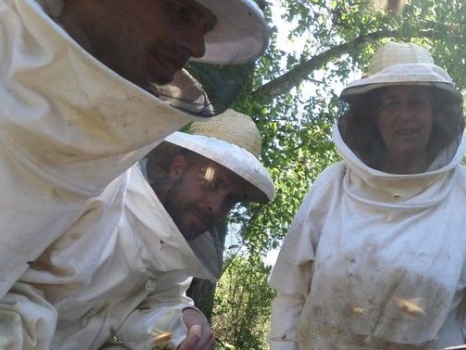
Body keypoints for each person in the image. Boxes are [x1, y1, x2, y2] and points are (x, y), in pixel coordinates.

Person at [0, 0, 269, 302]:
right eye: (180, 10)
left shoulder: (112, 161)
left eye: (203, 28)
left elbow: (39, 295)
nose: (198, 47)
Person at [268, 42, 466, 349]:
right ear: (371, 116)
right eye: (391, 103)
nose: (405, 116)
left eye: (417, 102)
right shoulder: (331, 186)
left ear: (436, 114)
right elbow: (291, 295)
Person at [6, 109, 275, 350]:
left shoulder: (176, 247)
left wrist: (180, 328)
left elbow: (142, 315)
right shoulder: (101, 192)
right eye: (210, 182)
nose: (215, 207)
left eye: (231, 200)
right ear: (178, 167)